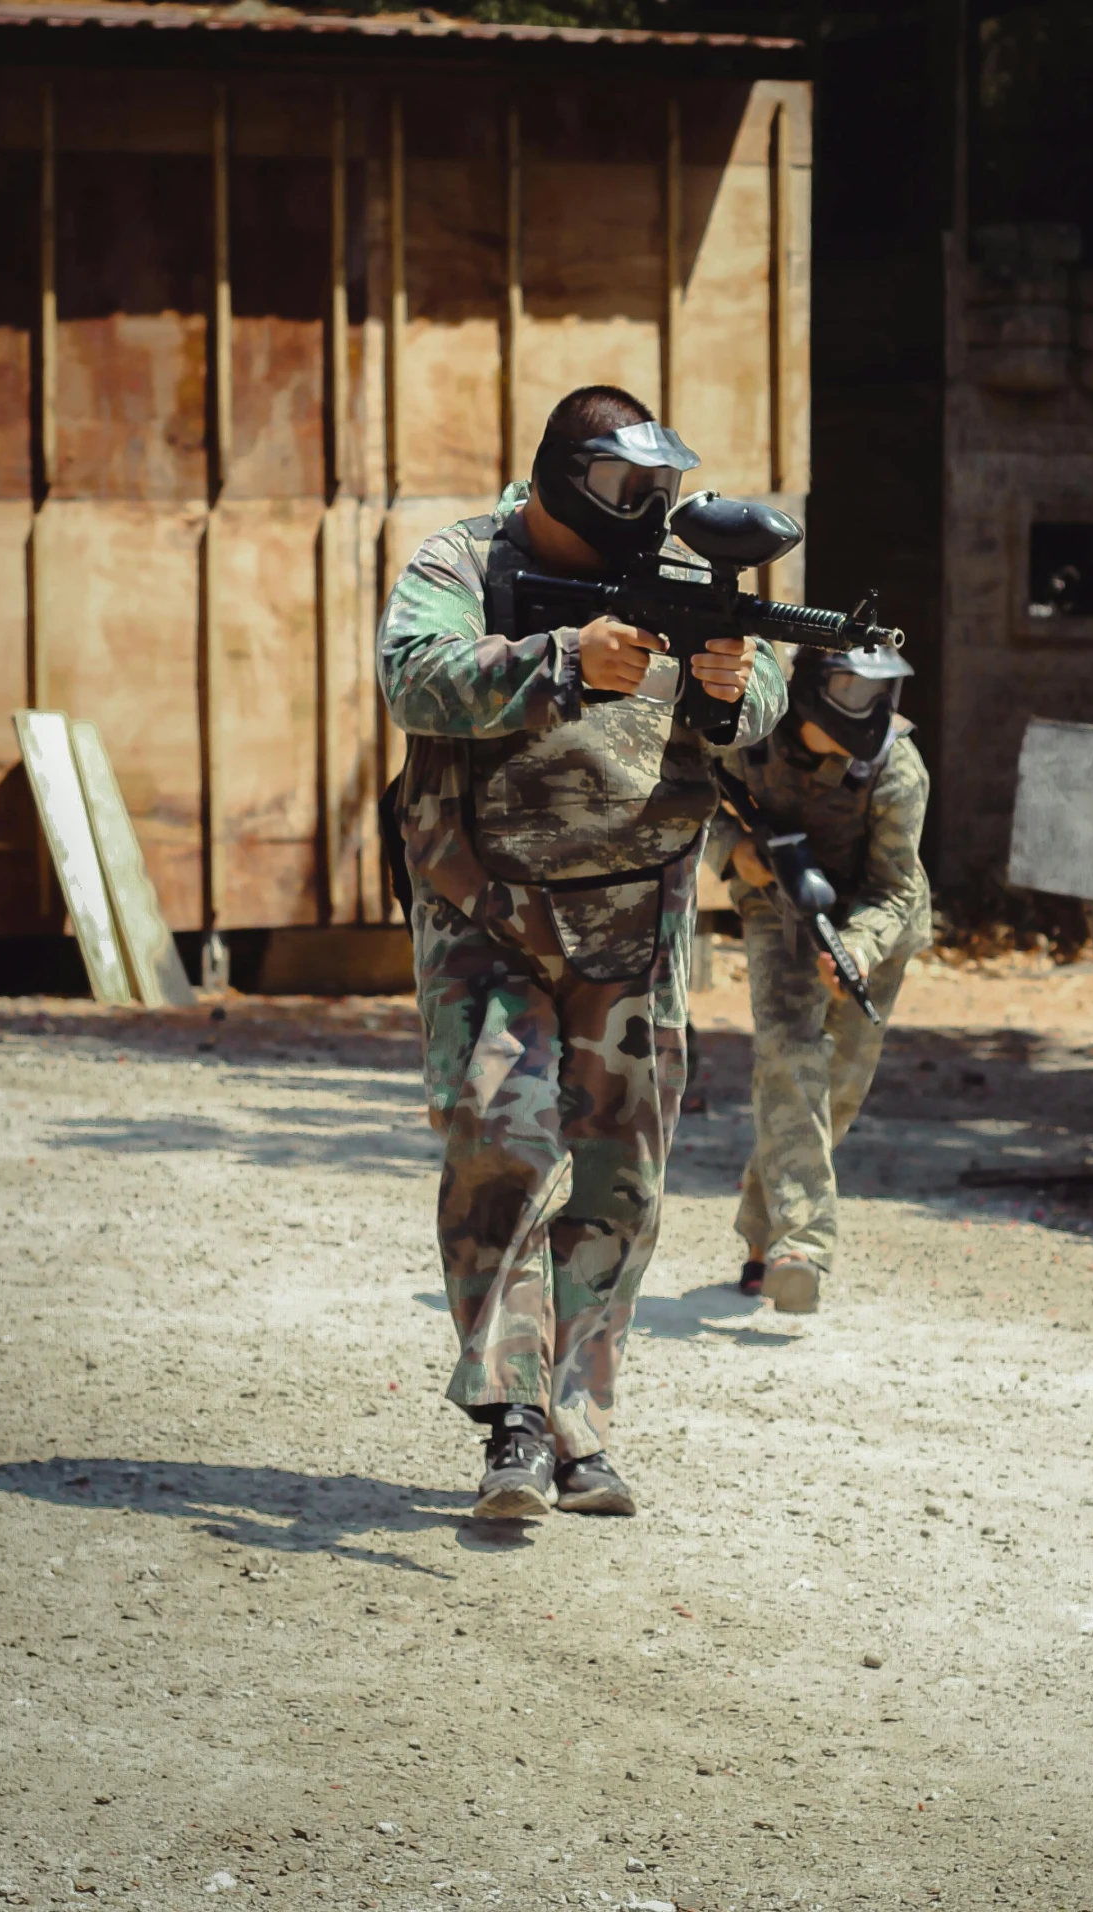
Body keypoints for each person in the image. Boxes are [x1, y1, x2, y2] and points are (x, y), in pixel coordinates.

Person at [377, 386, 786, 1520]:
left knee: (621, 1179)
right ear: (562, 475)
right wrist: (561, 659)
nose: (644, 510)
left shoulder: (682, 582)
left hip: (635, 927)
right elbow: (411, 674)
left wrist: (732, 686)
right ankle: (508, 1416)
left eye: (656, 490)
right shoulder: (462, 559)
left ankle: (576, 1427)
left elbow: (766, 701)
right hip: (487, 913)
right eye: (620, 489)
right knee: (499, 1138)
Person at [707, 644, 930, 1313]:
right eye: (852, 690)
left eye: (878, 692)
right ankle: (799, 1247)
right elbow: (685, 795)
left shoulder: (896, 768)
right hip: (778, 906)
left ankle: (760, 1229)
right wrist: (733, 851)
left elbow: (894, 890)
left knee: (833, 1095)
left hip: (871, 923)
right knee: (787, 1058)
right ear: (812, 691)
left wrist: (859, 949)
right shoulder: (748, 736)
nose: (871, 709)